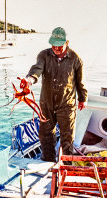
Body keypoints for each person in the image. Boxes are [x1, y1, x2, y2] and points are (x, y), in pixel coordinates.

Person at [21, 27, 88, 162]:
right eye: (54, 45)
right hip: (47, 104)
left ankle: (66, 165)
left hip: (67, 104)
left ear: (66, 43)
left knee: (67, 136)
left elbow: (81, 82)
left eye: (59, 45)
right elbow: (37, 69)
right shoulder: (43, 55)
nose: (56, 48)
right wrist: (29, 80)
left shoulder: (75, 59)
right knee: (45, 134)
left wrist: (82, 99)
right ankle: (48, 161)